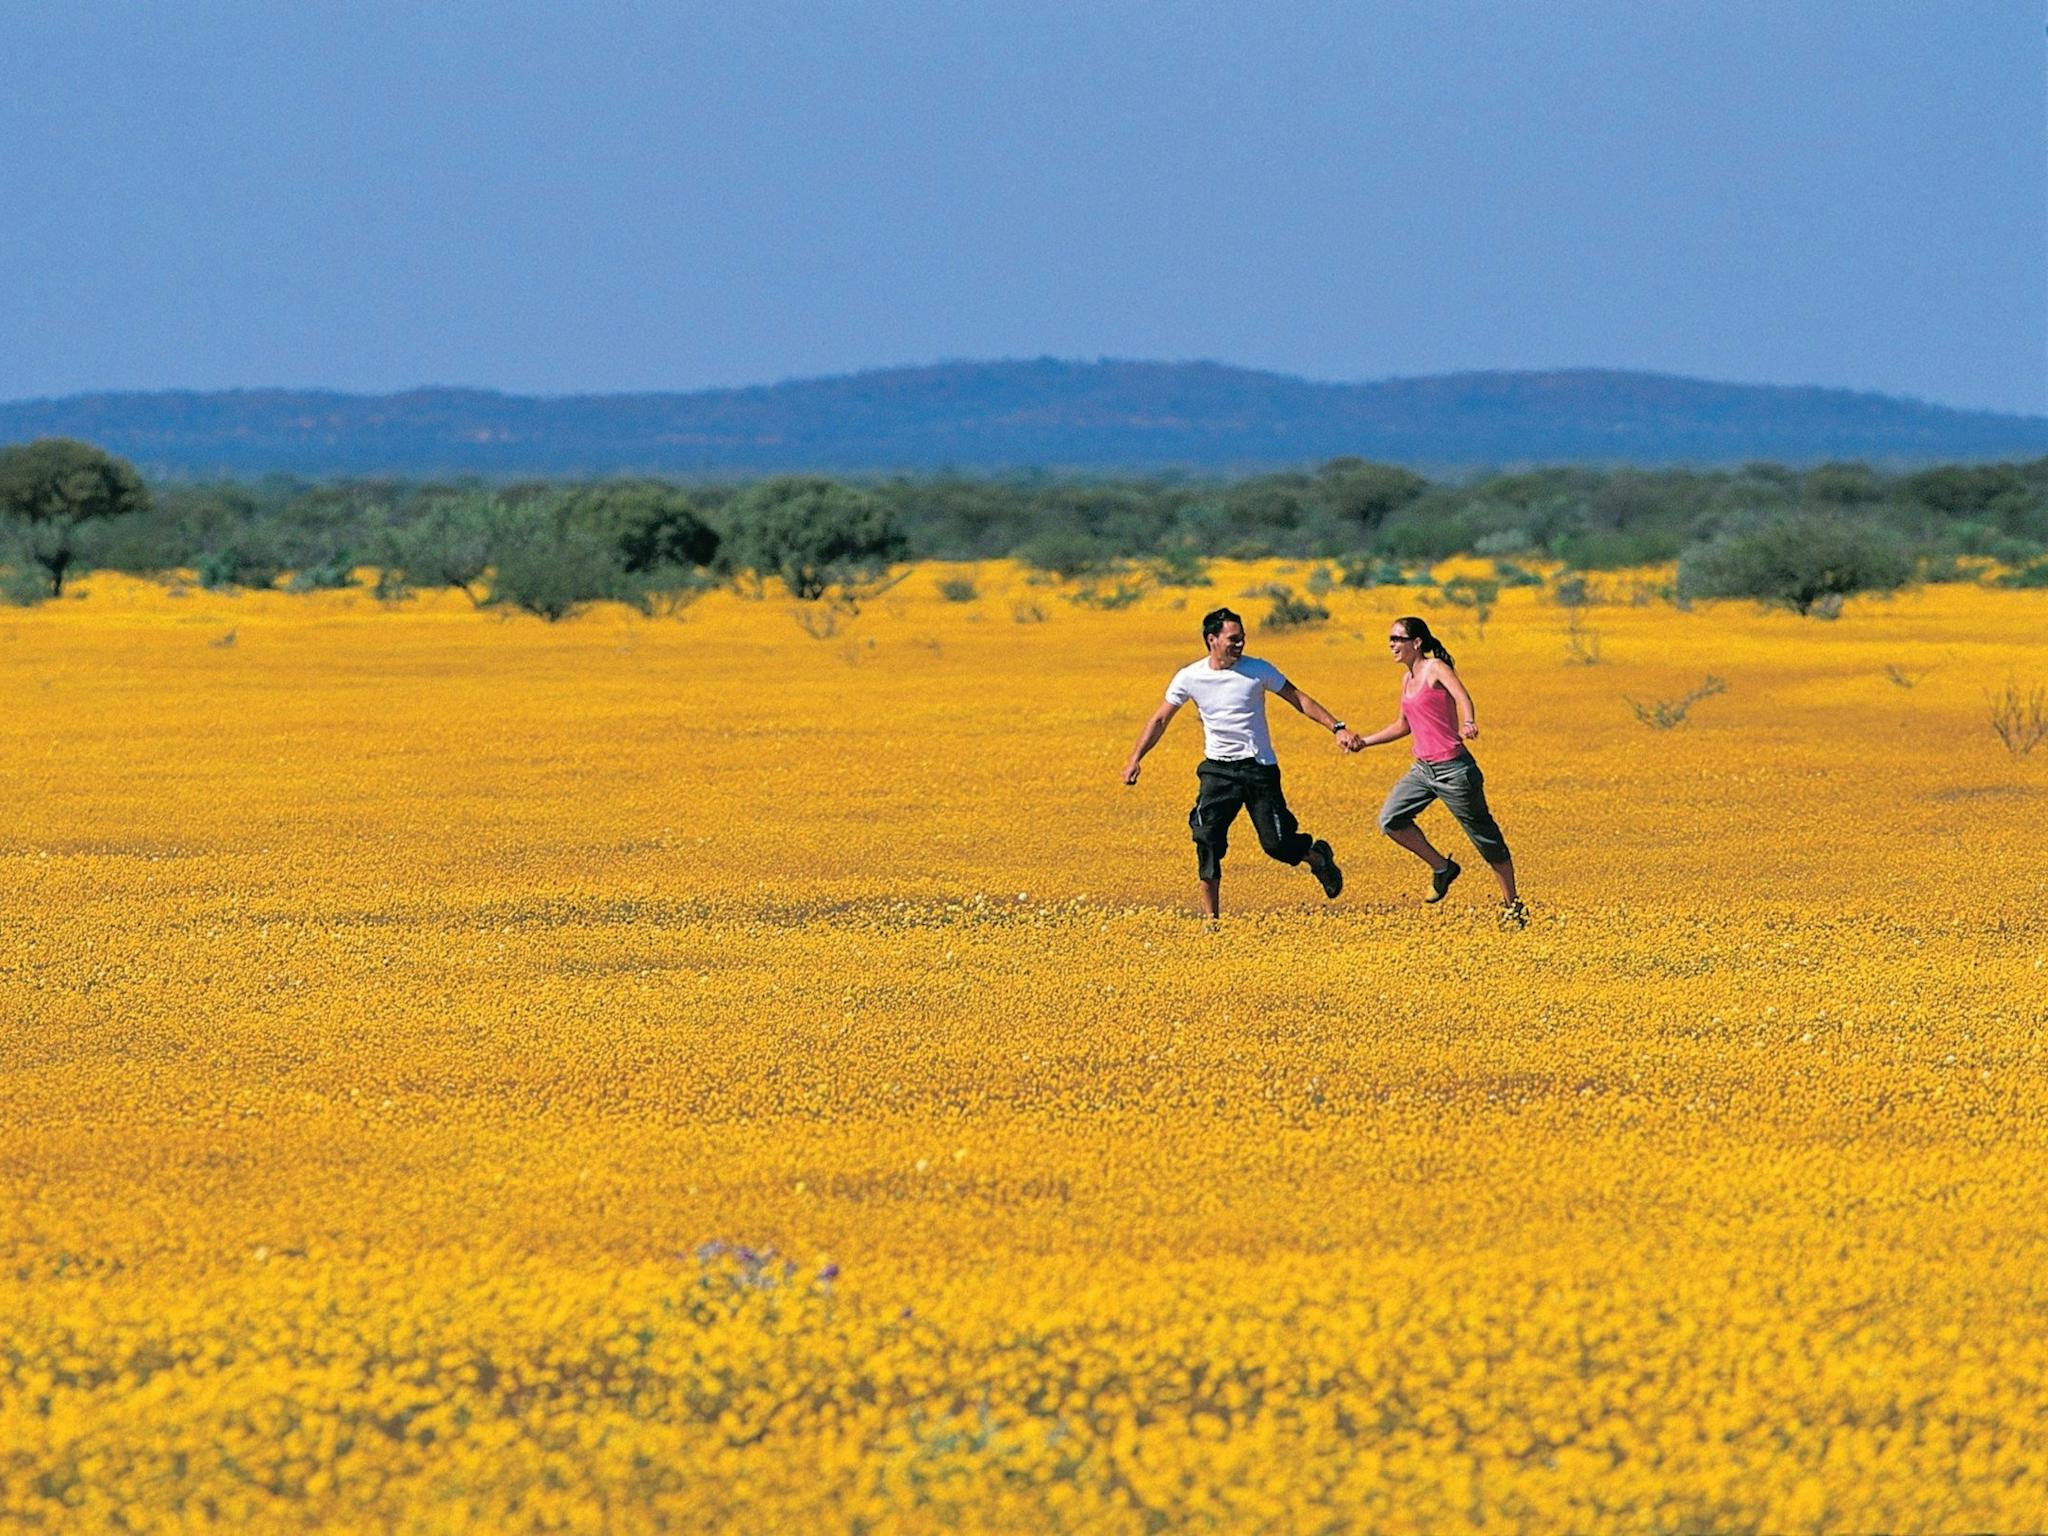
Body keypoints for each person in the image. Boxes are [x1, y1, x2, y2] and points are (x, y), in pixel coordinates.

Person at [1123, 606, 1362, 919]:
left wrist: (1337, 727)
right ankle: (1212, 922)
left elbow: (1298, 698)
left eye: (1242, 638)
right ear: (1212, 639)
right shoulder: (1190, 677)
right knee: (1205, 837)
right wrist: (1136, 757)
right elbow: (1160, 719)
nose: (1240, 644)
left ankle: (1317, 858)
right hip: (1218, 770)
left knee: (1277, 844)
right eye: (1233, 639)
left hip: (1258, 768)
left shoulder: (1258, 670)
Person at [1345, 615, 1529, 928]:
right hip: (1423, 770)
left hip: (1454, 771)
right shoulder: (1406, 679)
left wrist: (1468, 722)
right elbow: (1404, 725)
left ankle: (1513, 906)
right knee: (1390, 820)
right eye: (1390, 639)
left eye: (1397, 639)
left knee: (1487, 840)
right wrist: (1365, 742)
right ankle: (1442, 868)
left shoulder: (1435, 668)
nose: (1391, 645)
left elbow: (1462, 695)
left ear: (1416, 643)